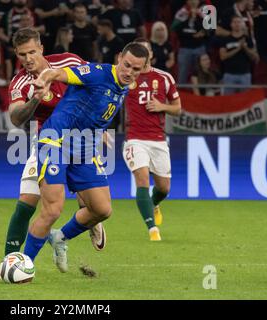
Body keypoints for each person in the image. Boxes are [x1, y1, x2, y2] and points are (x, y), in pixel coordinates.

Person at [0, 27, 105, 280]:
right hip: (46, 143)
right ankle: (7, 265)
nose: (28, 59)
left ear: (41, 48)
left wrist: (99, 124)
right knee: (25, 205)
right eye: (22, 55)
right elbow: (17, 118)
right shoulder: (20, 82)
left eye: (32, 52)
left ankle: (91, 220)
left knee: (94, 203)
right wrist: (35, 100)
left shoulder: (68, 62)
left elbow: (94, 84)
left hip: (80, 139)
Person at [22, 42, 149, 272]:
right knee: (52, 209)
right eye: (127, 65)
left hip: (84, 150)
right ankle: (23, 264)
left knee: (102, 209)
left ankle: (60, 237)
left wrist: (97, 134)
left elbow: (93, 110)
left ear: (143, 69)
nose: (129, 72)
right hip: (56, 140)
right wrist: (44, 79)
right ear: (119, 57)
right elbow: (59, 73)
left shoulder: (126, 86)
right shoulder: (98, 73)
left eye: (136, 69)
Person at [123, 38, 181, 241]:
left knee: (164, 188)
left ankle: (154, 203)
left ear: (151, 55)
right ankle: (152, 230)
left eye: (145, 52)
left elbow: (177, 108)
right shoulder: (127, 77)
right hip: (134, 139)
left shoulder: (164, 78)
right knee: (142, 180)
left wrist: (161, 106)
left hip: (157, 139)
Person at [219, 15, 259, 95]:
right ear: (231, 24)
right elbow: (222, 57)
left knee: (244, 102)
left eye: (239, 22)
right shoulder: (225, 39)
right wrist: (238, 48)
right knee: (228, 101)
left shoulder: (248, 39)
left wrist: (245, 48)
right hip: (229, 74)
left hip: (245, 74)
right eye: (235, 22)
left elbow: (255, 57)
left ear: (242, 24)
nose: (237, 24)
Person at [171, 0, 207, 84]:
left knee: (200, 73)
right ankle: (181, 94)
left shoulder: (204, 12)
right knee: (182, 75)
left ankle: (201, 94)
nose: (193, 2)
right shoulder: (182, 12)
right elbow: (175, 29)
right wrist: (189, 17)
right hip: (185, 49)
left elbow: (210, 29)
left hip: (199, 48)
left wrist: (203, 30)